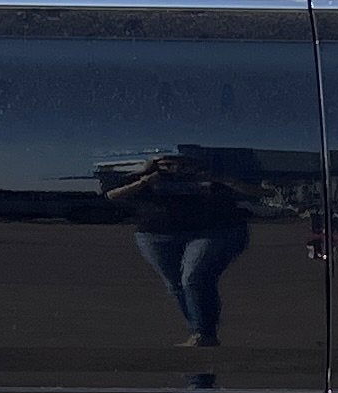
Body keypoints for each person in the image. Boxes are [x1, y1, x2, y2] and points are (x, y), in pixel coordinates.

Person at [104, 146, 256, 346]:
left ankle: (203, 334)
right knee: (175, 284)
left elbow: (257, 192)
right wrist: (145, 179)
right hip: (156, 234)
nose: (175, 169)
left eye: (182, 164)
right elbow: (112, 195)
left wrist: (220, 179)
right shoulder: (146, 177)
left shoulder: (212, 177)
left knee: (193, 278)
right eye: (167, 164)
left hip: (212, 232)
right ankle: (201, 330)